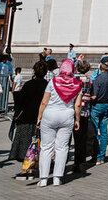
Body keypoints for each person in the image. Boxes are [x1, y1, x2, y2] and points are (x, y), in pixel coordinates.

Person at [37, 57, 83, 187]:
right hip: (67, 116)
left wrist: (39, 117)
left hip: (50, 114)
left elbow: (44, 101)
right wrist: (77, 119)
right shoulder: (77, 84)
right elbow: (78, 105)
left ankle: (44, 179)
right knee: (62, 148)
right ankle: (57, 178)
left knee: (46, 147)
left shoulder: (52, 82)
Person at [9, 61, 49, 179]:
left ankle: (26, 169)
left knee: (25, 143)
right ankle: (32, 167)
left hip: (26, 116)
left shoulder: (28, 84)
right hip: (40, 117)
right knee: (37, 143)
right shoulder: (47, 85)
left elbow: (20, 100)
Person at [88, 56, 108, 163]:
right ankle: (101, 156)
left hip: (96, 106)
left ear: (101, 66)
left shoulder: (98, 78)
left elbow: (94, 96)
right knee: (104, 132)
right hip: (106, 105)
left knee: (95, 131)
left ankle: (95, 156)